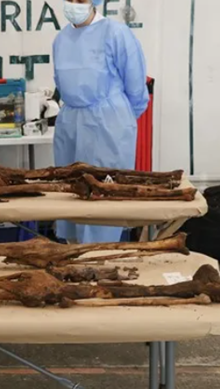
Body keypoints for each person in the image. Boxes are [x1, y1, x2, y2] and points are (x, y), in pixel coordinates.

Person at [53, 0, 149, 244]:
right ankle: (74, 254)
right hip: (70, 124)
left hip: (108, 125)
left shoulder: (116, 34)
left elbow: (136, 88)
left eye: (81, 0)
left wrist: (119, 119)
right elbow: (61, 82)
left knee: (103, 196)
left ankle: (102, 255)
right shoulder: (61, 39)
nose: (74, 5)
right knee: (72, 192)